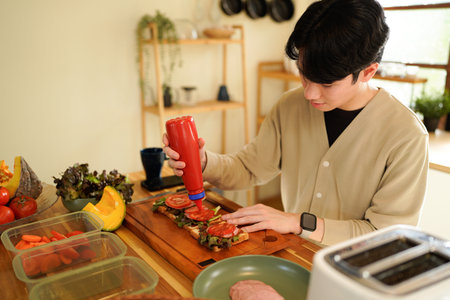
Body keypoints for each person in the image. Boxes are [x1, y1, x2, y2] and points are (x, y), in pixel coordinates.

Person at [163, 0, 429, 246]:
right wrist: (203, 161)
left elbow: (387, 236)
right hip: (293, 253)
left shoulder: (406, 136)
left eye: (326, 83)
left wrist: (298, 222)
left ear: (368, 71)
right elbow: (248, 167)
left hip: (355, 277)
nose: (309, 93)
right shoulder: (289, 107)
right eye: (304, 74)